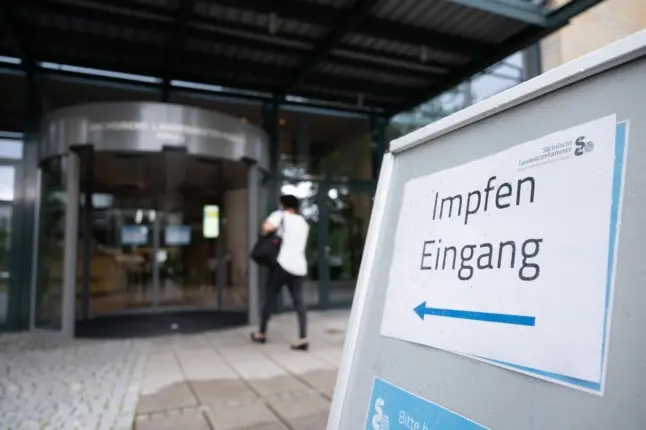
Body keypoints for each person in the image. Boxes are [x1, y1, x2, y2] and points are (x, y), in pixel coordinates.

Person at [251, 194, 310, 351]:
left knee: (270, 297)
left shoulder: (280, 215)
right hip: (299, 266)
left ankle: (261, 333)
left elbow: (266, 228)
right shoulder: (303, 222)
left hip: (282, 264)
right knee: (299, 301)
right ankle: (303, 337)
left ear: (283, 205)